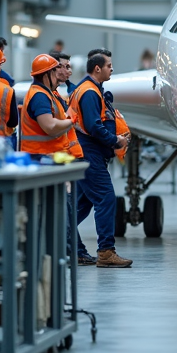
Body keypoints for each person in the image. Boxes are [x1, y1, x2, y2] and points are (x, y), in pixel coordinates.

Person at [71, 48, 133, 269]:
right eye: (108, 65)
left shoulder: (92, 90)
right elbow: (93, 127)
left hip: (88, 153)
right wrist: (115, 140)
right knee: (106, 198)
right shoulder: (88, 92)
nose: (112, 68)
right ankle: (106, 252)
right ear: (97, 68)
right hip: (89, 154)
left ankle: (55, 238)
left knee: (80, 206)